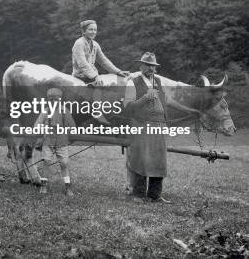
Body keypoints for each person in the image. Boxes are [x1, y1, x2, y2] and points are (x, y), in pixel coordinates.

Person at [124, 52, 203, 203]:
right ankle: (139, 195)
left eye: (153, 66)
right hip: (141, 126)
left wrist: (188, 110)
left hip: (159, 126)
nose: (150, 68)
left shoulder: (158, 82)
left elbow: (168, 101)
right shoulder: (132, 83)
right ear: (141, 66)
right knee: (141, 159)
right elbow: (128, 108)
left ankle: (155, 195)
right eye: (147, 65)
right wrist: (145, 97)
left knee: (158, 160)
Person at [32, 88, 77, 196]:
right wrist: (44, 126)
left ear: (60, 100)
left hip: (62, 142)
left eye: (56, 100)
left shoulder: (65, 111)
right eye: (51, 100)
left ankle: (68, 187)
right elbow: (36, 125)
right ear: (48, 100)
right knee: (46, 162)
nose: (53, 102)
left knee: (64, 163)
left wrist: (66, 129)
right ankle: (44, 185)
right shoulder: (45, 111)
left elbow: (73, 127)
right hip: (48, 141)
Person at [72, 19, 129, 85]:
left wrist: (118, 72)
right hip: (80, 78)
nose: (93, 32)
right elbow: (82, 63)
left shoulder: (95, 45)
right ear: (84, 31)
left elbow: (104, 61)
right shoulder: (79, 43)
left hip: (93, 77)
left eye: (95, 30)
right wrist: (95, 76)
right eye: (90, 29)